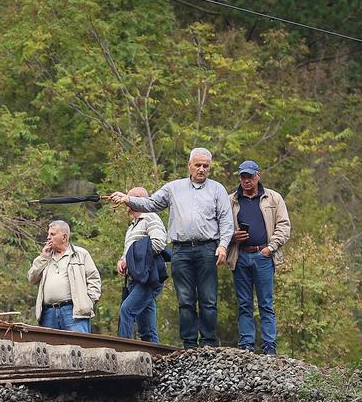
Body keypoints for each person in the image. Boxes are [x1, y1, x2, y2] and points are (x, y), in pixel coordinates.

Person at [108, 147, 232, 347]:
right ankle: (189, 344)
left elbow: (226, 221)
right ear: (189, 166)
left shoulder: (217, 189)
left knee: (208, 299)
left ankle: (208, 343)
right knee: (185, 300)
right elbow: (151, 203)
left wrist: (223, 246)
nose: (201, 169)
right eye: (198, 165)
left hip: (207, 248)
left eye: (206, 166)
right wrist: (127, 199)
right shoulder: (174, 188)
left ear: (210, 168)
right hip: (181, 250)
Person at [226, 161, 290, 355]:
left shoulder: (273, 198)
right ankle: (246, 344)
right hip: (240, 256)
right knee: (244, 302)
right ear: (239, 178)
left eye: (250, 177)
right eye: (243, 177)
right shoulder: (231, 200)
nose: (246, 180)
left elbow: (284, 225)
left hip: (263, 255)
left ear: (258, 176)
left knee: (265, 303)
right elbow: (221, 228)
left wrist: (271, 247)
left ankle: (269, 345)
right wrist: (232, 236)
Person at [27, 219, 101, 332]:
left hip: (73, 311)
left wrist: (89, 301)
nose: (48, 237)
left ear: (64, 237)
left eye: (52, 234)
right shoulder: (44, 257)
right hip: (48, 312)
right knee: (50, 348)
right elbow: (32, 278)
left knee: (78, 346)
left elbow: (94, 278)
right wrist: (43, 258)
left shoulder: (81, 254)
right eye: (48, 234)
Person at [115, 187, 168, 342]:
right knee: (146, 329)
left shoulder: (151, 217)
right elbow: (130, 251)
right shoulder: (133, 225)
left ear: (138, 198)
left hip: (148, 278)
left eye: (128, 198)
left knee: (126, 310)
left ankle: (122, 350)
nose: (126, 202)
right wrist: (123, 260)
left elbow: (158, 243)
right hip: (135, 279)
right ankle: (155, 358)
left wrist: (134, 261)